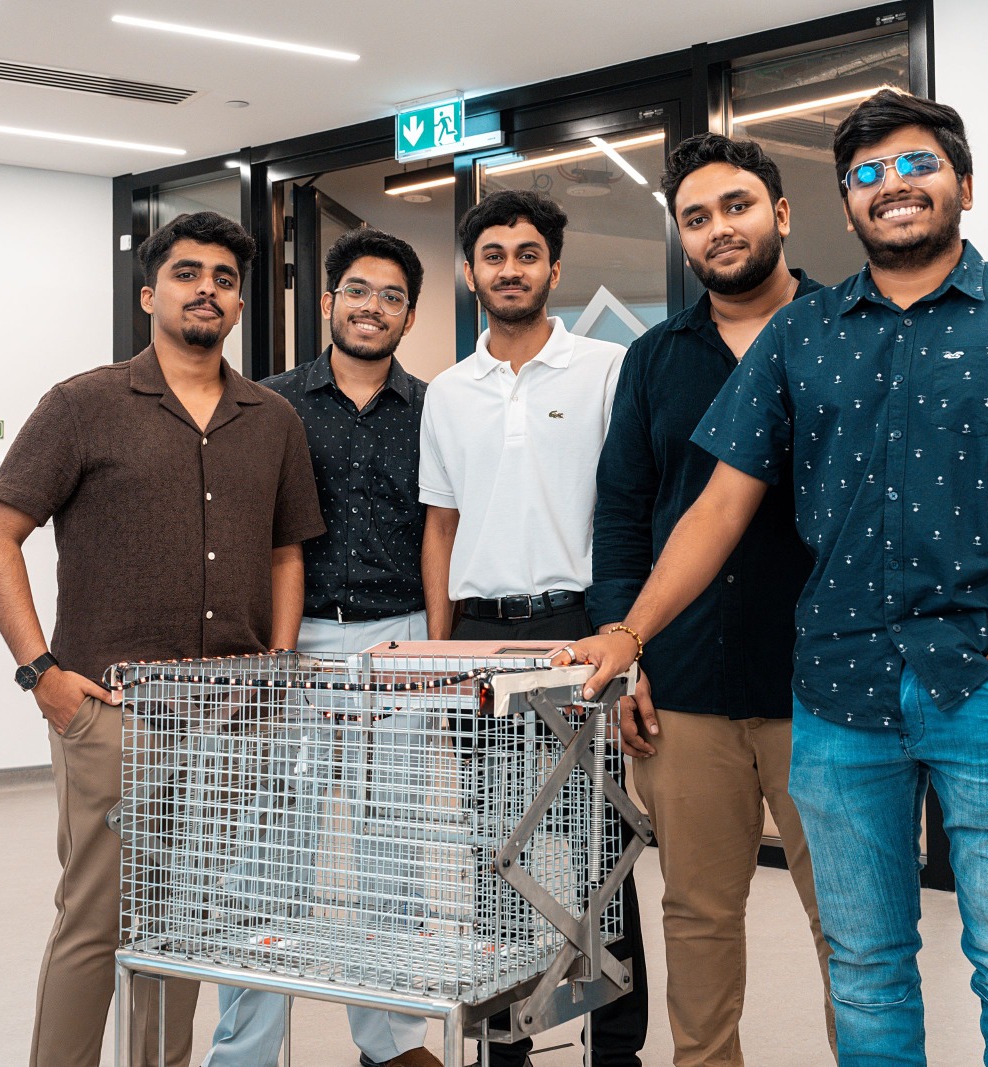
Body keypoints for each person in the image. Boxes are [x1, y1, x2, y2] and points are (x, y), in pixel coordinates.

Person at [565, 89, 988, 1067]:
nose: (893, 186)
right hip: (838, 695)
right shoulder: (801, 336)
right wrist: (630, 632)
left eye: (917, 164)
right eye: (868, 174)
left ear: (964, 184)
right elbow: (716, 508)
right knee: (866, 965)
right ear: (846, 203)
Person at [0, 211, 325, 1067]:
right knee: (97, 919)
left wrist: (278, 662)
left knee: (184, 920)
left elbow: (286, 551)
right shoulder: (82, 404)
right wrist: (41, 672)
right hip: (111, 712)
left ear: (239, 303)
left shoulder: (272, 418)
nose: (208, 288)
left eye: (225, 278)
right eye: (187, 272)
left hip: (231, 715)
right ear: (148, 294)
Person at [589, 132, 833, 1067]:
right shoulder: (655, 358)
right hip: (685, 684)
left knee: (851, 919)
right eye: (696, 217)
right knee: (695, 912)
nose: (718, 228)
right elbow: (623, 512)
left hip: (826, 686)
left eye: (736, 206)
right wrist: (627, 649)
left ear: (780, 213)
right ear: (682, 237)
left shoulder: (845, 331)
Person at [418, 189, 645, 1067]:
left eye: (526, 254)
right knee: (498, 857)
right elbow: (441, 526)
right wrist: (442, 655)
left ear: (555, 267)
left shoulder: (607, 368)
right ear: (470, 272)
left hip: (582, 632)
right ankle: (503, 1047)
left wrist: (630, 636)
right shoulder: (449, 391)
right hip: (482, 639)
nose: (509, 269)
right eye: (493, 255)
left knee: (604, 856)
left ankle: (615, 1050)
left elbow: (630, 510)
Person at [204, 228, 441, 1067]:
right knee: (270, 855)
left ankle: (393, 1043)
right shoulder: (269, 405)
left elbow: (442, 532)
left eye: (392, 296)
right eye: (359, 290)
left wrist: (437, 654)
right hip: (292, 644)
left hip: (399, 644)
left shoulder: (434, 410)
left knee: (392, 856)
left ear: (409, 316)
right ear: (329, 300)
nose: (373, 307)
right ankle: (245, 1050)